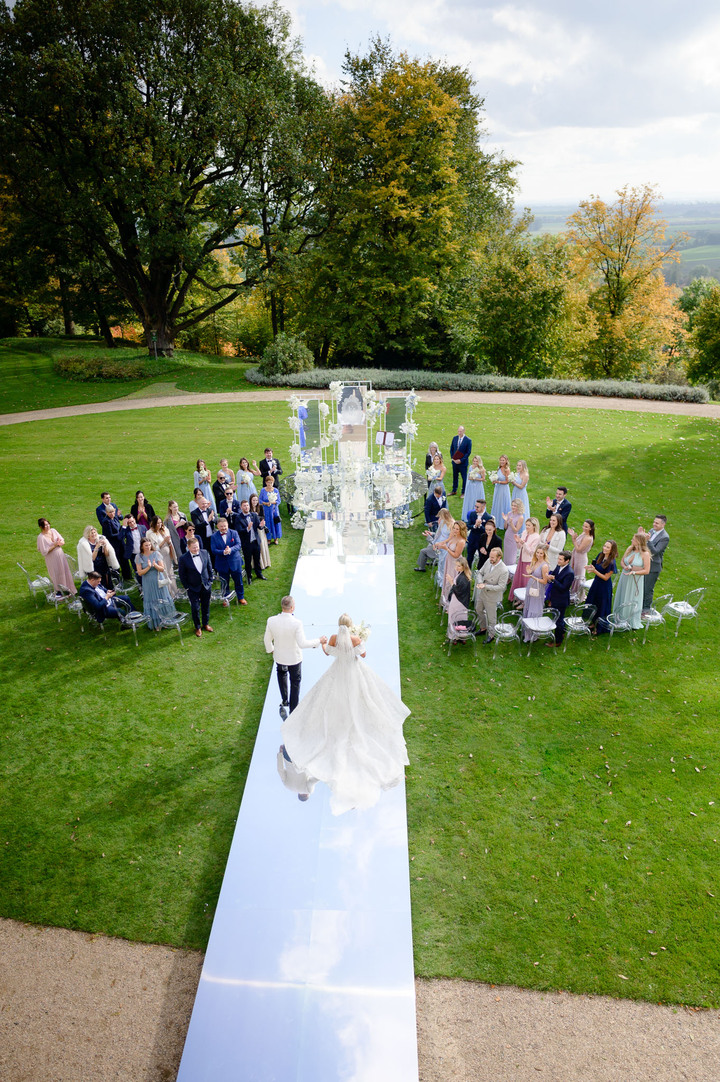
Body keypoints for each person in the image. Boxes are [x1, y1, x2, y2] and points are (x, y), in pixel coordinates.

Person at [280, 613, 410, 816]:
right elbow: (363, 655)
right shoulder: (356, 639)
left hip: (337, 671)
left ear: (339, 625)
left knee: (330, 702)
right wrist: (359, 643)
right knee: (364, 698)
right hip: (354, 671)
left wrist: (323, 644)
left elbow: (328, 652)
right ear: (350, 626)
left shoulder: (333, 638)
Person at [264, 595, 327, 718]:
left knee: (281, 675)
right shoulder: (297, 623)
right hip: (294, 659)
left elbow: (267, 640)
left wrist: (271, 650)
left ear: (282, 606)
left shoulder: (271, 620)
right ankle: (293, 710)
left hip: (279, 657)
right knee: (295, 682)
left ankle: (284, 699)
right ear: (292, 608)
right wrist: (318, 641)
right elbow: (302, 644)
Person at [136, 537, 179, 630]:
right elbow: (139, 572)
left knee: (162, 598)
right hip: (147, 582)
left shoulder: (156, 553)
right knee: (152, 601)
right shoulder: (138, 556)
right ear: (142, 546)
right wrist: (148, 567)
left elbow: (162, 568)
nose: (148, 547)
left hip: (158, 580)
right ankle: (157, 623)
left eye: (149, 545)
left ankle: (167, 620)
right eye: (146, 545)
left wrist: (155, 565)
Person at [177, 536, 214, 637]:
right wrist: (187, 587)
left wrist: (210, 580)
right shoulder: (183, 558)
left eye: (197, 547)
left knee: (206, 606)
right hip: (192, 587)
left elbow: (209, 567)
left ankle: (205, 624)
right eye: (194, 547)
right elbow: (182, 575)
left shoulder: (205, 553)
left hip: (206, 585)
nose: (196, 549)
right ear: (188, 547)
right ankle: (197, 627)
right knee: (195, 608)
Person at [613, 533, 651, 630]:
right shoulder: (630, 549)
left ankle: (629, 620)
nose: (631, 540)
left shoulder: (645, 554)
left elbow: (646, 570)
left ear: (638, 541)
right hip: (624, 577)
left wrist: (634, 572)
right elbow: (622, 561)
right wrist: (625, 566)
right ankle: (619, 618)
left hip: (635, 581)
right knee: (622, 595)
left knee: (631, 598)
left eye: (633, 539)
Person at [474, 547, 509, 643]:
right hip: (483, 593)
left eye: (493, 557)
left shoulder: (504, 570)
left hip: (492, 596)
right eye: (490, 556)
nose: (490, 559)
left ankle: (491, 634)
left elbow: (501, 587)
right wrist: (481, 582)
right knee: (478, 609)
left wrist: (485, 586)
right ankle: (483, 627)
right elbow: (480, 573)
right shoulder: (488, 561)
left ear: (499, 557)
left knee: (491, 617)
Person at [210, 517, 247, 604]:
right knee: (224, 582)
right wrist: (223, 552)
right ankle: (225, 599)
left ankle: (240, 597)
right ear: (217, 527)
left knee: (238, 581)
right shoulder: (214, 536)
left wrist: (230, 550)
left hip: (234, 561)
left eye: (225, 526)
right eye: (221, 526)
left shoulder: (234, 533)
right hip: (222, 563)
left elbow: (238, 545)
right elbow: (213, 550)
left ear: (228, 525)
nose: (223, 528)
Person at [36, 518, 76, 594]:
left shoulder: (53, 531)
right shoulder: (41, 537)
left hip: (60, 555)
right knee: (56, 573)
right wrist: (55, 545)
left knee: (64, 570)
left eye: (48, 524)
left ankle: (68, 588)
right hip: (51, 558)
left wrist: (60, 542)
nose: (47, 526)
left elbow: (62, 540)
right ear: (41, 527)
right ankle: (59, 590)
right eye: (45, 525)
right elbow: (44, 552)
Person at [586, 540, 618, 635]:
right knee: (593, 602)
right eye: (604, 546)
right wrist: (589, 567)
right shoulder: (601, 555)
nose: (605, 548)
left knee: (601, 606)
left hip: (604, 587)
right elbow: (595, 566)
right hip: (596, 584)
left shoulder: (611, 563)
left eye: (608, 547)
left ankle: (600, 628)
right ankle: (593, 622)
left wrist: (594, 571)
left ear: (612, 550)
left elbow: (605, 577)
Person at [639, 515, 669, 612]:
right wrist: (642, 537)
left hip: (653, 567)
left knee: (647, 589)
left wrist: (648, 540)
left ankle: (646, 610)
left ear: (663, 524)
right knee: (640, 586)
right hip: (645, 563)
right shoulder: (652, 530)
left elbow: (655, 551)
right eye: (654, 522)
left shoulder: (665, 537)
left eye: (657, 523)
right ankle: (639, 605)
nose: (654, 524)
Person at [509, 517, 541, 602]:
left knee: (525, 580)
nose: (527, 527)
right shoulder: (524, 532)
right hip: (521, 559)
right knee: (518, 578)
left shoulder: (536, 537)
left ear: (534, 526)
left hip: (528, 561)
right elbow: (519, 547)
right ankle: (517, 598)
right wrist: (517, 542)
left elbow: (531, 552)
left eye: (529, 525)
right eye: (526, 525)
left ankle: (524, 601)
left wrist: (523, 543)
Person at [522, 544, 550, 641]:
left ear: (544, 554)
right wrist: (529, 572)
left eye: (541, 553)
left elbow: (545, 581)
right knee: (528, 606)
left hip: (538, 589)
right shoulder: (535, 561)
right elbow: (532, 572)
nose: (539, 555)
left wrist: (533, 577)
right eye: (537, 552)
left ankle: (532, 634)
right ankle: (526, 632)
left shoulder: (545, 566)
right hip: (531, 587)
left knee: (534, 609)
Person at [146, 515, 178, 597]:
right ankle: (170, 594)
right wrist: (164, 541)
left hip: (168, 554)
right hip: (160, 557)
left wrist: (169, 542)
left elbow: (170, 541)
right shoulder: (150, 533)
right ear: (153, 524)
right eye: (157, 523)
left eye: (161, 523)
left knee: (171, 572)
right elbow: (154, 548)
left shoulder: (164, 529)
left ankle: (176, 591)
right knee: (165, 574)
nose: (160, 525)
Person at [547, 551, 574, 646]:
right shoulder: (559, 566)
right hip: (555, 596)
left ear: (567, 561)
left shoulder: (569, 573)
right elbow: (554, 575)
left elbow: (564, 588)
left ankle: (558, 641)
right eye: (558, 558)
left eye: (560, 559)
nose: (558, 561)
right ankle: (562, 632)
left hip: (561, 599)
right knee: (559, 617)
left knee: (558, 619)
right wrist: (550, 578)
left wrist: (554, 580)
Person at [438, 520, 467, 605]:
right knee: (446, 578)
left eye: (457, 529)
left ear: (461, 530)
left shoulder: (461, 541)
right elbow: (447, 541)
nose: (454, 530)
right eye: (454, 528)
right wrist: (439, 544)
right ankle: (445, 597)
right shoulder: (454, 535)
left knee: (450, 581)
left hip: (455, 562)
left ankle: (450, 601)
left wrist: (446, 549)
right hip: (449, 560)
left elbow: (456, 555)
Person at [100, 505, 133, 581]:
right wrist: (122, 531)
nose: (112, 514)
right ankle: (116, 579)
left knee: (124, 559)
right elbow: (110, 535)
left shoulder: (115, 518)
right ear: (106, 512)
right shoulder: (106, 521)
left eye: (113, 512)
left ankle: (127, 576)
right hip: (114, 544)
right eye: (110, 512)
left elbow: (119, 527)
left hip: (120, 543)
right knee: (116, 561)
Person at [414, 508, 453, 572]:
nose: (439, 519)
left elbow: (446, 540)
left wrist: (429, 537)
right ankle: (431, 561)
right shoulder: (444, 522)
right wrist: (431, 533)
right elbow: (439, 534)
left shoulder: (451, 525)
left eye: (441, 517)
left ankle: (421, 567)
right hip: (438, 543)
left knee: (423, 551)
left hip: (442, 547)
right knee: (429, 546)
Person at [236, 499, 266, 583]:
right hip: (247, 543)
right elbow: (238, 530)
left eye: (247, 505)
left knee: (257, 559)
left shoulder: (254, 515)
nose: (246, 507)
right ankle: (249, 576)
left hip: (255, 541)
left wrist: (261, 526)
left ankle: (259, 574)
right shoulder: (238, 518)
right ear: (241, 507)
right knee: (248, 561)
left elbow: (257, 527)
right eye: (244, 506)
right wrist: (247, 529)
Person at [446, 557, 473, 638]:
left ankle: (453, 637)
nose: (456, 568)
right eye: (456, 565)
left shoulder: (463, 578)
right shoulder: (461, 574)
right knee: (461, 619)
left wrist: (451, 582)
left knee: (453, 618)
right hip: (459, 600)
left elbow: (458, 591)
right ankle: (462, 636)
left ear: (463, 567)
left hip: (458, 601)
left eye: (459, 566)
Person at [568, 519, 595, 598]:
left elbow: (579, 549)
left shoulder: (588, 538)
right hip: (576, 555)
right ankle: (573, 592)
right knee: (574, 573)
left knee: (578, 576)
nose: (584, 528)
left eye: (586, 527)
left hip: (580, 558)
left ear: (590, 528)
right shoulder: (584, 533)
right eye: (584, 526)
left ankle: (577, 595)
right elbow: (578, 542)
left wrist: (573, 539)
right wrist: (573, 535)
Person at [466, 499, 492, 567]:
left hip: (481, 541)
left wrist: (480, 525)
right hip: (472, 539)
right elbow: (468, 525)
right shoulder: (472, 514)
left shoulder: (488, 517)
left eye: (478, 507)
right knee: (469, 558)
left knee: (482, 559)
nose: (475, 508)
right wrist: (474, 525)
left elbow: (488, 531)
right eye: (475, 506)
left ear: (483, 507)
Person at [249, 492, 271, 570]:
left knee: (262, 544)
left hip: (260, 529)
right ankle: (256, 564)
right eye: (253, 500)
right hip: (253, 529)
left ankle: (265, 562)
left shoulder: (260, 507)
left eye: (256, 500)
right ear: (250, 501)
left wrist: (256, 516)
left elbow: (263, 517)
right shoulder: (249, 508)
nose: (255, 502)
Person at [461, 455, 486, 520]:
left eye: (476, 461)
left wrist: (476, 478)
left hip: (478, 486)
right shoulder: (471, 467)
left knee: (476, 499)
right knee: (470, 499)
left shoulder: (481, 469)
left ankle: (478, 515)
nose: (475, 463)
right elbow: (468, 477)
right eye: (474, 461)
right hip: (471, 486)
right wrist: (471, 478)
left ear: (479, 462)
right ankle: (469, 515)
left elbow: (483, 479)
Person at [502, 498, 525, 567]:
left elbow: (516, 530)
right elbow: (505, 527)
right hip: (507, 536)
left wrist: (511, 523)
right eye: (512, 505)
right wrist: (506, 520)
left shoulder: (520, 517)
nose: (513, 507)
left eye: (515, 506)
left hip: (513, 538)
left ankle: (511, 571)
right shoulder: (509, 513)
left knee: (511, 556)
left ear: (519, 507)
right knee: (506, 555)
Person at [449, 425, 472, 496]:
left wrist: (461, 460)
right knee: (455, 476)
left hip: (463, 463)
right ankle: (454, 490)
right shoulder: (455, 438)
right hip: (455, 462)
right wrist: (453, 458)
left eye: (460, 431)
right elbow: (452, 449)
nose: (459, 433)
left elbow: (468, 452)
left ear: (464, 431)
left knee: (464, 478)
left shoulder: (468, 440)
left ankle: (463, 492)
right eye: (458, 431)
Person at [260, 474, 282, 544]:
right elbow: (260, 499)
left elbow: (279, 500)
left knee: (275, 523)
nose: (270, 484)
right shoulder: (263, 490)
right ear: (266, 482)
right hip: (266, 510)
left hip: (274, 510)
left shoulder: (275, 490)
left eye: (271, 482)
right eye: (268, 482)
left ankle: (276, 538)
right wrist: (265, 503)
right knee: (268, 523)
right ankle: (268, 538)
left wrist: (273, 502)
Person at [490, 455, 512, 527]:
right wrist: (494, 480)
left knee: (502, 503)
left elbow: (507, 481)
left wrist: (498, 482)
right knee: (497, 503)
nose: (502, 462)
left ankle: (503, 522)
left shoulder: (507, 469)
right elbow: (497, 477)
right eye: (501, 460)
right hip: (498, 488)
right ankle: (496, 520)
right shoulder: (499, 468)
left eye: (503, 460)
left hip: (503, 489)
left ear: (506, 461)